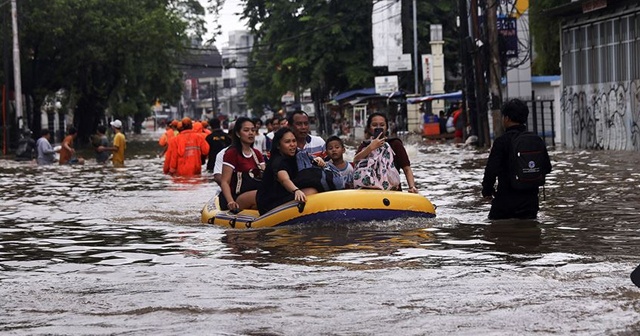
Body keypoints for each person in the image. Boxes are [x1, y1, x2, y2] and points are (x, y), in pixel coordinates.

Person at [481, 99, 552, 220]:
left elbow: (491, 171)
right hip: (530, 205)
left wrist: (487, 191)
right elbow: (547, 168)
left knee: (497, 233)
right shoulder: (536, 140)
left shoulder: (501, 142)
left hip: (504, 205)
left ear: (507, 118)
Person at [256, 127, 318, 215]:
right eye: (287, 142)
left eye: (294, 141)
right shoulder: (277, 161)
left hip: (284, 194)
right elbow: (284, 179)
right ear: (278, 145)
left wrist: (318, 161)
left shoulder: (296, 156)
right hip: (270, 203)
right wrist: (296, 190)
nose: (292, 145)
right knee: (311, 192)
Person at [353, 112, 418, 193]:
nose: (378, 127)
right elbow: (355, 161)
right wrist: (370, 148)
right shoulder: (365, 145)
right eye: (374, 125)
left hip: (392, 191)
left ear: (386, 127)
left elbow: (407, 168)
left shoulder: (395, 144)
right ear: (369, 128)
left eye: (382, 125)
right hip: (369, 191)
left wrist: (412, 187)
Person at [220, 117, 265, 211]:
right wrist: (230, 202)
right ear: (237, 133)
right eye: (246, 130)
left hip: (254, 194)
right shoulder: (231, 153)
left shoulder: (257, 154)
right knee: (262, 194)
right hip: (237, 197)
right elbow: (225, 181)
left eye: (253, 130)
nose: (251, 133)